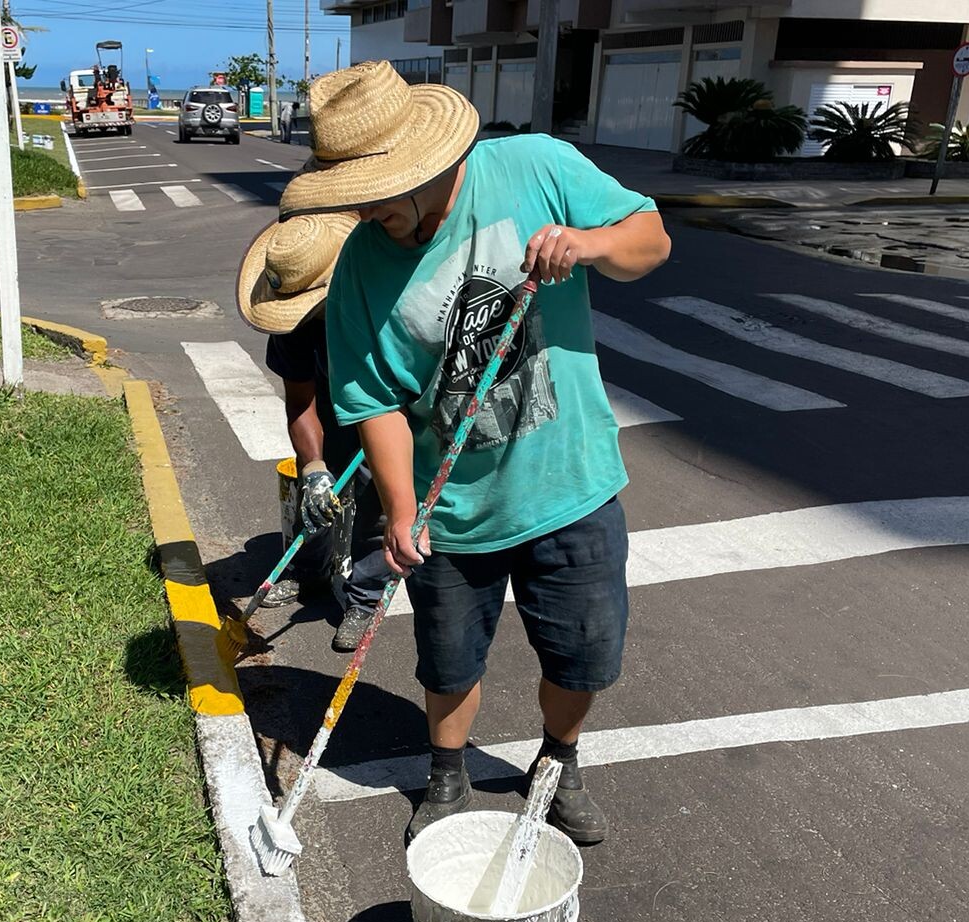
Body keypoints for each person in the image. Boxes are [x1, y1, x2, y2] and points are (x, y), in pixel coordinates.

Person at [279, 60, 671, 847]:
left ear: (425, 167)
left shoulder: (536, 166)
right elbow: (375, 399)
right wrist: (397, 508)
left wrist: (588, 244)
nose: (364, 210)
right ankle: (448, 774)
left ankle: (558, 762)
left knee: (581, 654)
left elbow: (650, 241)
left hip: (573, 485)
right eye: (351, 195)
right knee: (448, 660)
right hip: (450, 509)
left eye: (376, 192)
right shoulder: (359, 264)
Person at [236, 213, 391, 652]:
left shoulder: (380, 298)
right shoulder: (291, 315)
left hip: (389, 397)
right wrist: (316, 469)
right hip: (330, 391)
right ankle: (310, 572)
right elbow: (300, 400)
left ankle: (365, 596)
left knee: (374, 492)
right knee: (318, 490)